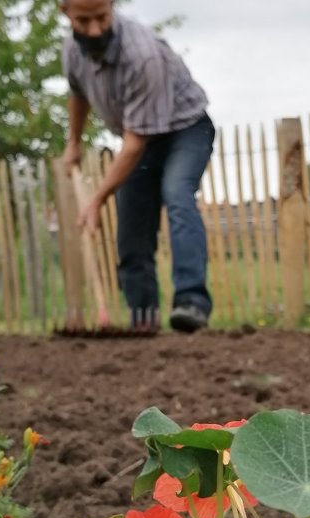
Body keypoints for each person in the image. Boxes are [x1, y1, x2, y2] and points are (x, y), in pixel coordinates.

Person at [60, 0, 215, 333]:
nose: (95, 30)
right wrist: (74, 142)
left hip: (186, 129)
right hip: (142, 137)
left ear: (112, 6)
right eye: (83, 21)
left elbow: (133, 146)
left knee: (177, 194)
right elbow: (78, 94)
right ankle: (143, 318)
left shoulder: (142, 55)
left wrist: (96, 200)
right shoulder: (72, 51)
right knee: (132, 221)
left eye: (102, 18)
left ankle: (191, 303)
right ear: (66, 13)